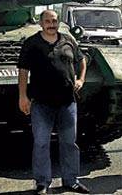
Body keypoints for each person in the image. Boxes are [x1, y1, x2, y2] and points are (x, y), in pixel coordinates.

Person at [18, 10, 90, 195]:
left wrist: (81, 79)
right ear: (41, 23)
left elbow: (82, 60)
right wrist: (23, 96)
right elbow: (23, 71)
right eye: (48, 21)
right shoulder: (32, 43)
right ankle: (42, 182)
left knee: (69, 143)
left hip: (67, 101)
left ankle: (71, 180)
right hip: (41, 103)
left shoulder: (68, 40)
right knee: (41, 143)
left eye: (55, 21)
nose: (52, 24)